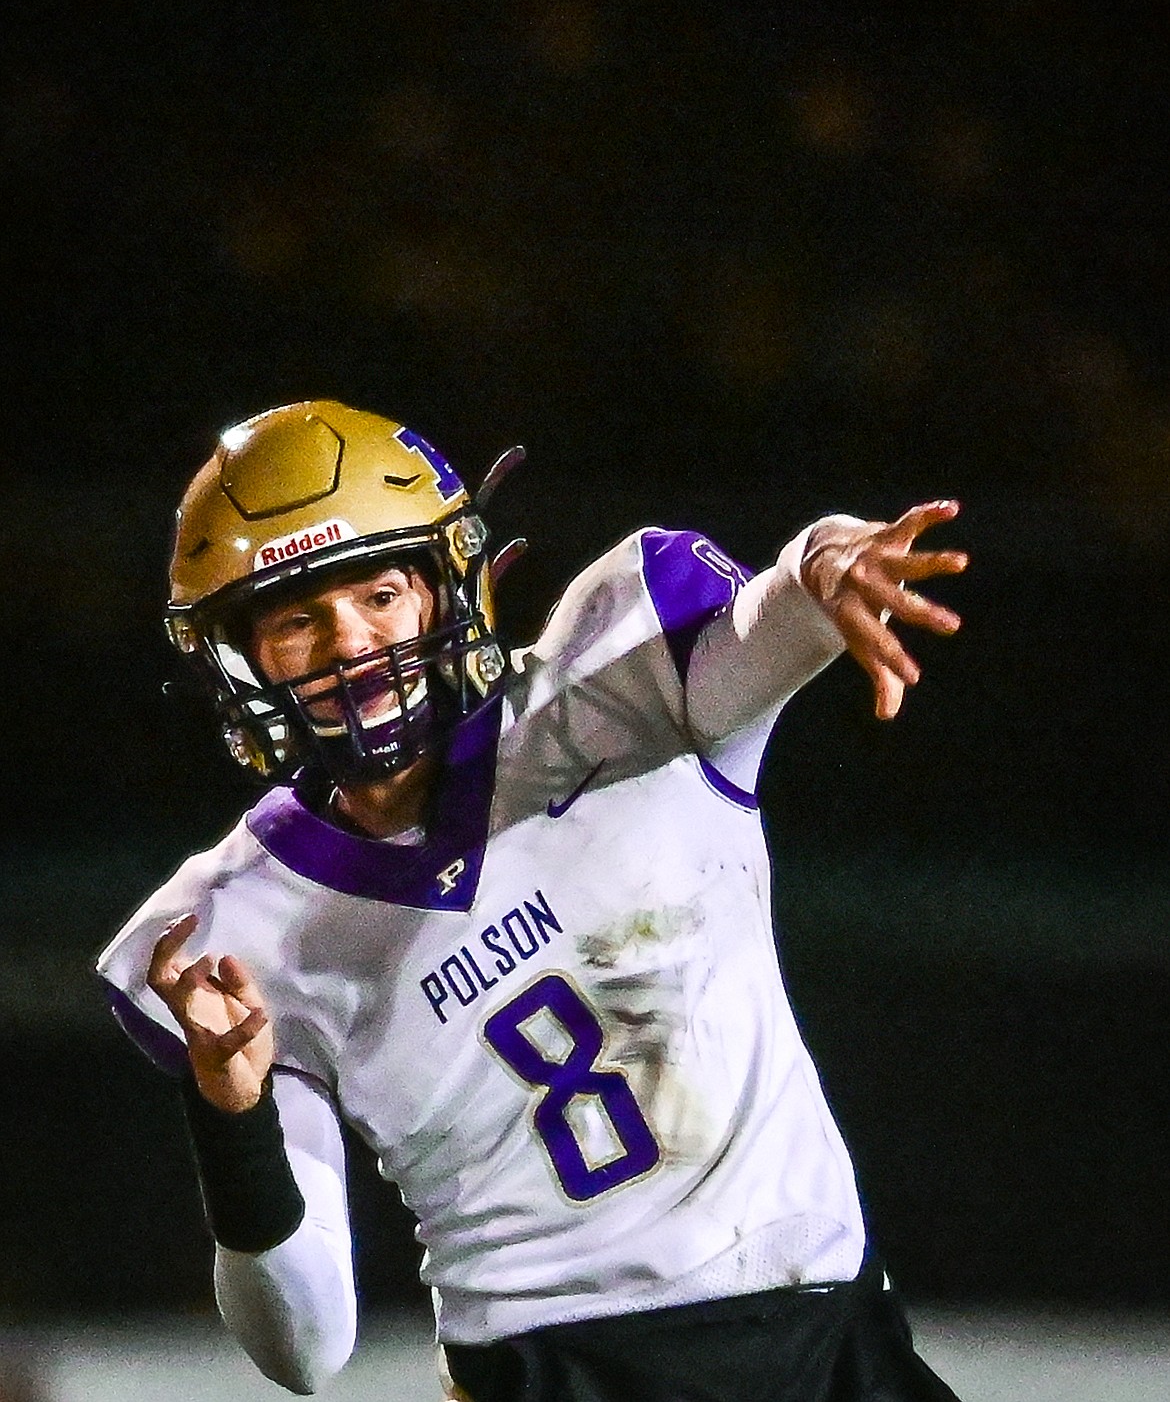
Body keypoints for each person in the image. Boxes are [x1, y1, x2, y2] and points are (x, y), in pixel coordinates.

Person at [98, 398, 968, 1401]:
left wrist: (826, 561)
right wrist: (232, 1111)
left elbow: (778, 615)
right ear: (239, 657)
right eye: (299, 620)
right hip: (553, 1372)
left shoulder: (612, 688)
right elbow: (305, 1347)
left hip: (829, 1338)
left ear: (444, 584)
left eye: (380, 595)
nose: (349, 645)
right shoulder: (235, 929)